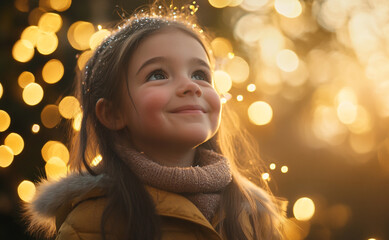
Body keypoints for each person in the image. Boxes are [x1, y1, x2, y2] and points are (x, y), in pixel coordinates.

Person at [23, 3, 288, 240]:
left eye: (200, 74)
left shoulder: (252, 212)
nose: (190, 86)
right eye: (157, 75)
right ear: (113, 113)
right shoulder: (90, 221)